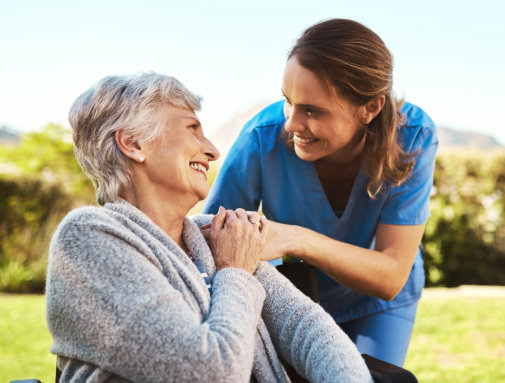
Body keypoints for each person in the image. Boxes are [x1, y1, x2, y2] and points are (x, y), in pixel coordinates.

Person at [45, 72, 372, 382]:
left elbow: (306, 328)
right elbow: (210, 374)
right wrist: (236, 272)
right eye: (192, 129)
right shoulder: (88, 238)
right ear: (133, 144)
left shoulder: (211, 233)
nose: (213, 151)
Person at [203, 18, 438, 367]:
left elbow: (391, 274)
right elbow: (213, 240)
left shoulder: (414, 137)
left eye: (312, 110)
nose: (291, 124)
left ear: (370, 108)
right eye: (288, 101)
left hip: (379, 304)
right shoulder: (260, 137)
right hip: (295, 296)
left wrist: (298, 239)